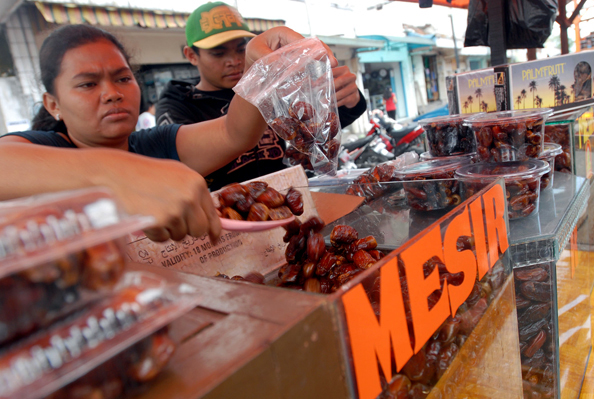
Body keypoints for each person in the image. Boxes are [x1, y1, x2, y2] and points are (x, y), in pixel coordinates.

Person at [0, 24, 328, 243]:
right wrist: (116, 175)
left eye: (122, 78)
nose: (111, 93)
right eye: (88, 84)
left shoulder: (155, 144)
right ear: (53, 104)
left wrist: (260, 68)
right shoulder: (42, 148)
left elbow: (234, 134)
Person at [156, 1, 367, 190]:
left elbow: (313, 132)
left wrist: (347, 99)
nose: (234, 61)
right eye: (218, 53)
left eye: (241, 50)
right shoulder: (178, 105)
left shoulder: (273, 84)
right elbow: (181, 172)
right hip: (225, 223)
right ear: (191, 55)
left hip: (286, 208)